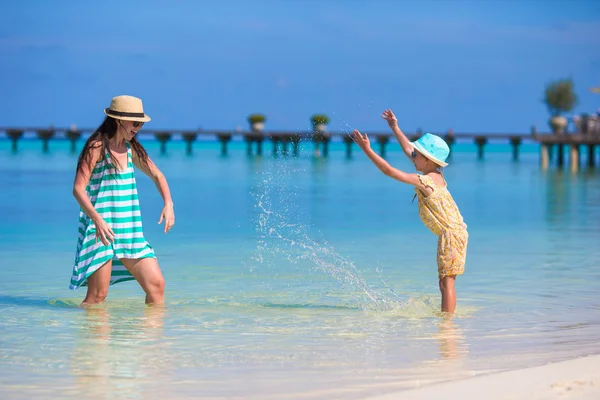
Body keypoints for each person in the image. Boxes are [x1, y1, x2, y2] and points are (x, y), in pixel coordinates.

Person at [351, 109, 468, 314]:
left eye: (417, 154)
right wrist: (395, 127)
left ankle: (448, 326)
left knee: (447, 284)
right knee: (444, 283)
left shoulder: (424, 181)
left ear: (429, 160)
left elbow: (389, 171)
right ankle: (446, 319)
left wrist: (367, 150)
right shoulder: (436, 175)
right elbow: (408, 149)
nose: (412, 156)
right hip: (455, 233)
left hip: (451, 236)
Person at [69, 95, 175, 306]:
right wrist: (97, 220)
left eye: (141, 123)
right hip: (102, 231)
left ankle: (151, 338)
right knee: (97, 297)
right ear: (118, 120)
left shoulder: (131, 148)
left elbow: (157, 175)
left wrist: (168, 203)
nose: (138, 128)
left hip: (129, 231)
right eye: (135, 123)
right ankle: (89, 337)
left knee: (156, 286)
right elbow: (78, 189)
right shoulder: (97, 146)